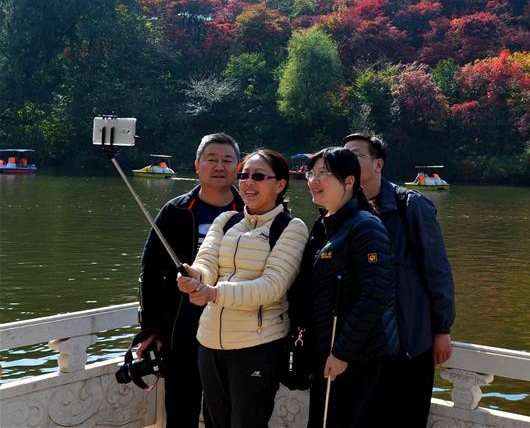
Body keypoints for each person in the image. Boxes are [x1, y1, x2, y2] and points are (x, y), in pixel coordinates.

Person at [177, 148, 308, 428]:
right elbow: (207, 263)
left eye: (258, 176)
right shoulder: (226, 220)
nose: (248, 182)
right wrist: (195, 277)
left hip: (257, 346)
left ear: (280, 184)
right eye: (244, 175)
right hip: (209, 342)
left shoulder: (291, 228)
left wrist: (213, 293)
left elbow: (272, 287)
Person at [343, 133, 455, 427]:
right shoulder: (346, 209)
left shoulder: (410, 206)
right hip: (363, 345)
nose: (348, 161)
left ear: (378, 164)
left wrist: (442, 328)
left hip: (409, 342)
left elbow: (437, 269)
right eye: (344, 155)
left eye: (356, 154)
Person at [138, 133, 242, 427]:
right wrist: (151, 327)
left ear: (238, 167)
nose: (219, 166)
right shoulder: (176, 211)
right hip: (181, 331)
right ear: (197, 166)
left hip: (234, 331)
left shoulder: (251, 212)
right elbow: (150, 271)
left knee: (224, 414)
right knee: (180, 411)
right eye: (211, 159)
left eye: (227, 160)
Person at [299, 147, 398, 427]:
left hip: (354, 359)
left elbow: (375, 295)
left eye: (324, 173)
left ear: (349, 181)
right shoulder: (326, 225)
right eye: (311, 173)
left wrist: (343, 353)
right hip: (326, 352)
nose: (314, 180)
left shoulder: (365, 226)